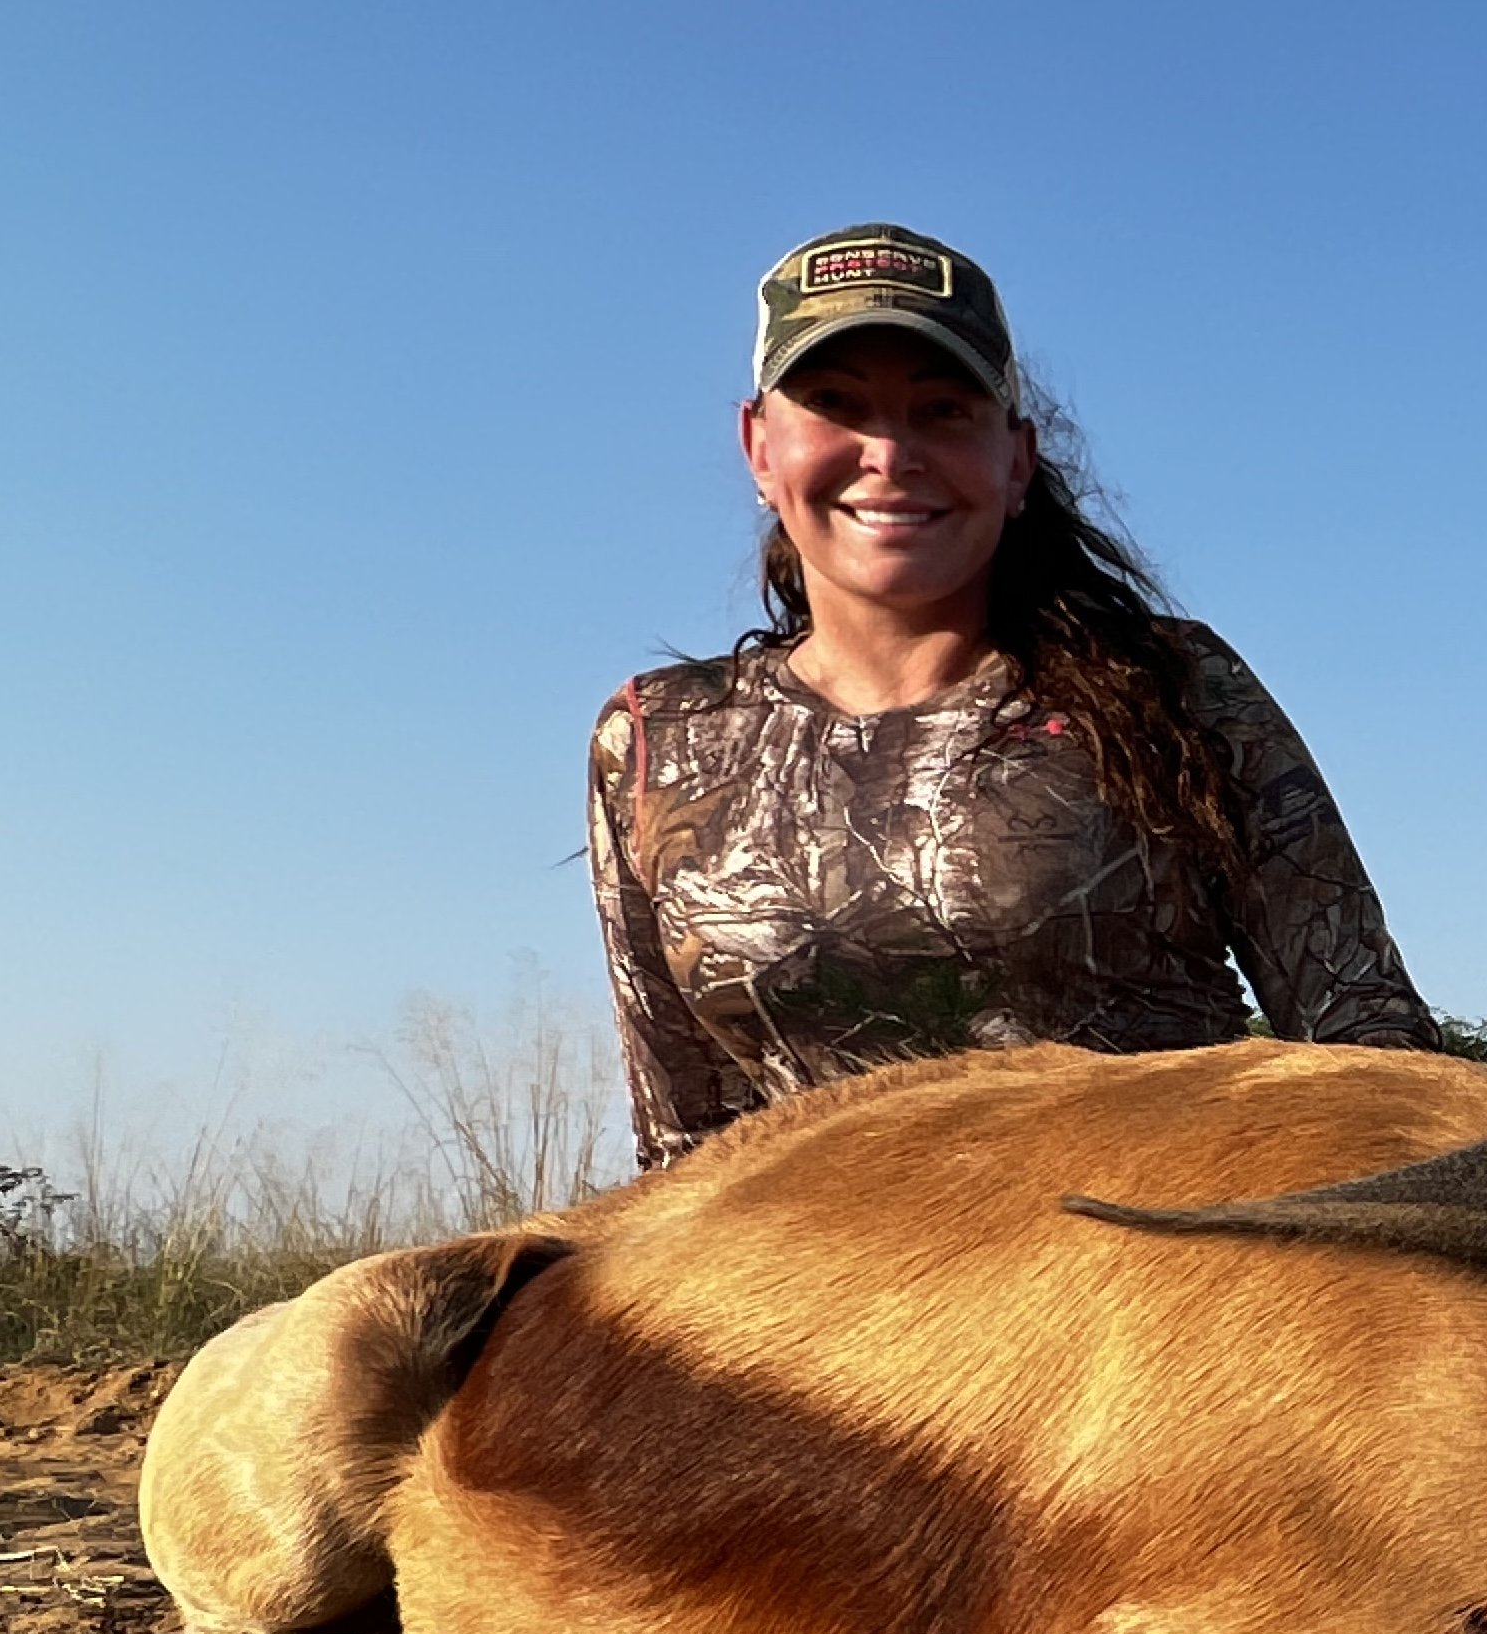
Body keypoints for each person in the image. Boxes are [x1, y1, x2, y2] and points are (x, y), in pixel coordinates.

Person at [589, 222, 1439, 1168]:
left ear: (1017, 459)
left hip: (1156, 1291)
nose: (889, 454)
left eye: (943, 409)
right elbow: (684, 1150)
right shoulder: (658, 740)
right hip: (811, 1302)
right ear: (759, 446)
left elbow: (1373, 1047)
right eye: (834, 404)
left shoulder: (1170, 686)